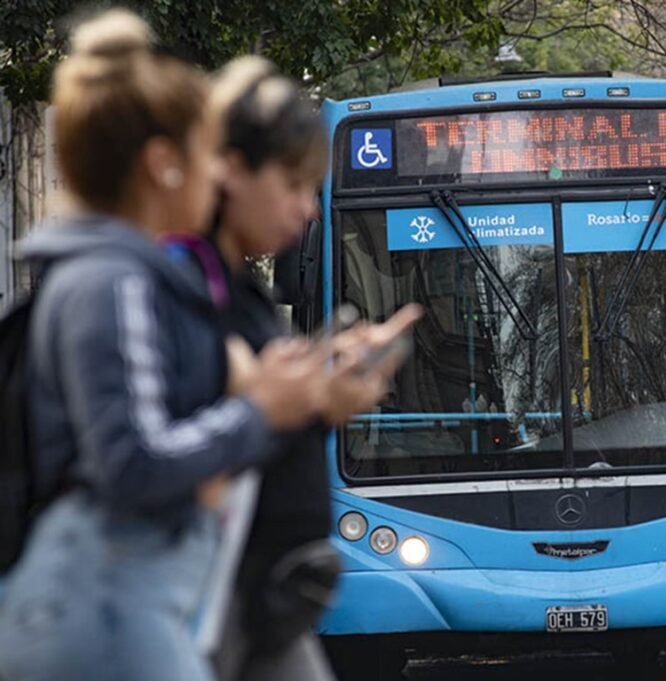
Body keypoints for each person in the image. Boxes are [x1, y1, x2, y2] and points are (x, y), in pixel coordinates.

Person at [0, 11, 352, 681]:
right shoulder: (114, 281)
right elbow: (134, 459)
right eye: (205, 154)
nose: (214, 176)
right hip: (109, 611)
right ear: (164, 166)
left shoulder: (118, 276)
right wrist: (263, 410)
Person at [180, 57, 420, 680]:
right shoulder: (175, 287)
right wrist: (281, 405)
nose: (310, 209)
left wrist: (322, 392)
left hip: (265, 604)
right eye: (293, 185)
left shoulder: (238, 287)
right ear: (231, 172)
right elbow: (170, 450)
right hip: (202, 606)